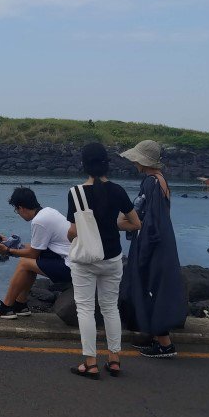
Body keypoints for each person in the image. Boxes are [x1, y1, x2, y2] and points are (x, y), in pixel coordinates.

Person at [66, 142, 141, 380]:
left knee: (85, 308)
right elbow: (135, 223)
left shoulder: (75, 193)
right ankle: (115, 359)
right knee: (110, 307)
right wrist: (114, 225)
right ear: (107, 164)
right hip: (112, 258)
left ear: (84, 165)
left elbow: (73, 231)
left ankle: (90, 363)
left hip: (86, 259)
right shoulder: (118, 191)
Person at [118, 140, 185, 359]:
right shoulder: (161, 181)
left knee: (149, 286)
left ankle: (165, 345)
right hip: (162, 241)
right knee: (157, 287)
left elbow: (149, 220)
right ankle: (158, 339)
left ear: (142, 160)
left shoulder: (150, 183)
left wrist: (142, 250)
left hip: (152, 243)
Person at [0, 187, 72, 319]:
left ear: (21, 208)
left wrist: (8, 251)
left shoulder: (39, 221)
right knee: (29, 265)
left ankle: (6, 307)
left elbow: (33, 254)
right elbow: (37, 248)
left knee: (25, 263)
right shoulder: (48, 212)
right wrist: (9, 243)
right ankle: (21, 304)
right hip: (71, 261)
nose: (18, 213)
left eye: (16, 210)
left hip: (71, 267)